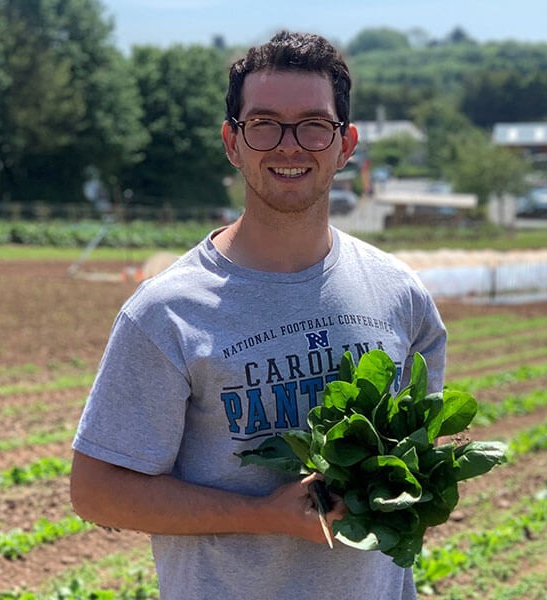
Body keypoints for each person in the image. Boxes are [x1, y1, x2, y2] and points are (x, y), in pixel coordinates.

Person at [70, 30, 446, 600]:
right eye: (264, 123)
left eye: (314, 126)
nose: (289, 145)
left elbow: (418, 461)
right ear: (233, 142)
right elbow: (96, 492)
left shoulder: (399, 294)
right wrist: (265, 514)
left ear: (345, 145)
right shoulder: (166, 312)